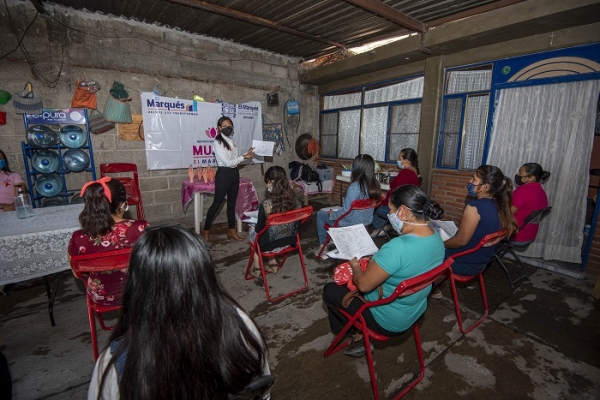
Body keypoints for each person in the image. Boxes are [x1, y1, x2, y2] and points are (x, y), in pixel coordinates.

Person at [88, 225, 271, 399]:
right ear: (206, 274)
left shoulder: (112, 366)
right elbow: (262, 390)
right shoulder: (241, 324)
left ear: (136, 283)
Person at [322, 185, 445, 357]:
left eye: (391, 211)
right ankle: (358, 334)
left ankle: (356, 335)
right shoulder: (436, 238)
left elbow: (363, 285)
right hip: (416, 310)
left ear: (403, 212)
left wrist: (355, 265)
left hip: (387, 319)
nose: (390, 216)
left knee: (330, 291)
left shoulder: (397, 247)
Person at [68, 177, 148, 306]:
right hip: (140, 292)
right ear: (122, 205)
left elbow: (77, 274)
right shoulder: (140, 228)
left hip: (102, 297)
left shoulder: (78, 238)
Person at [440, 165, 518, 280]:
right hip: (481, 262)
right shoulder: (501, 205)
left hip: (462, 263)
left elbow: (461, 241)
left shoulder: (474, 207)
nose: (470, 181)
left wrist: (441, 245)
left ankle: (430, 289)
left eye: (474, 179)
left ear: (484, 187)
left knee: (424, 252)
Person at [315, 154, 381, 259]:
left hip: (349, 224)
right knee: (337, 211)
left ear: (356, 168)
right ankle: (333, 240)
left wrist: (331, 213)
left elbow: (345, 213)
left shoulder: (354, 187)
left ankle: (323, 246)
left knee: (320, 214)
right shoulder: (375, 185)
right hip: (365, 224)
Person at [202, 116, 254, 243]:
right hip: (224, 174)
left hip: (234, 173)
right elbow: (227, 162)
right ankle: (206, 231)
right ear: (219, 128)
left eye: (230, 125)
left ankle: (231, 231)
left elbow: (234, 161)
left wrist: (245, 155)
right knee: (217, 203)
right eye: (224, 126)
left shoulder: (231, 141)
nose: (228, 127)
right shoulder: (217, 142)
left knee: (231, 204)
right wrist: (243, 157)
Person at [248, 166, 301, 278]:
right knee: (273, 230)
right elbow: (298, 225)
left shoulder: (266, 204)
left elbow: (259, 229)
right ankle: (272, 263)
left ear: (272, 182)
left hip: (269, 245)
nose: (267, 185)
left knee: (253, 230)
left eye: (267, 182)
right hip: (289, 242)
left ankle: (257, 268)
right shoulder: (297, 201)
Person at [371, 148, 421, 235]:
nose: (398, 161)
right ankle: (387, 226)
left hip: (396, 208)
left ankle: (382, 228)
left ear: (406, 160)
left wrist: (388, 201)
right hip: (405, 206)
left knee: (371, 208)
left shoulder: (406, 173)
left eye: (399, 159)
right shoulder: (414, 172)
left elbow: (398, 194)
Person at [512, 163, 550, 243]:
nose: (517, 175)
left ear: (531, 178)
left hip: (517, 234)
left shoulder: (523, 192)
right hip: (529, 234)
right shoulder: (540, 191)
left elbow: (507, 213)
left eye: (520, 173)